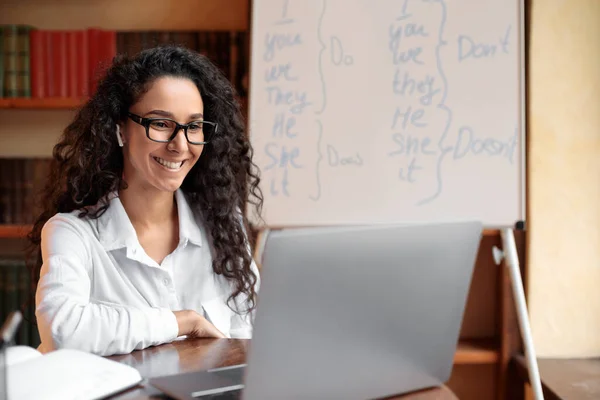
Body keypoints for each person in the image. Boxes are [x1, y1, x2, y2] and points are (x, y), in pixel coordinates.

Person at [26, 45, 263, 357]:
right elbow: (63, 330)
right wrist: (182, 322)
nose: (180, 145)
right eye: (161, 124)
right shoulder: (72, 233)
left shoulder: (223, 225)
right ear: (121, 129)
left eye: (193, 126)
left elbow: (250, 339)